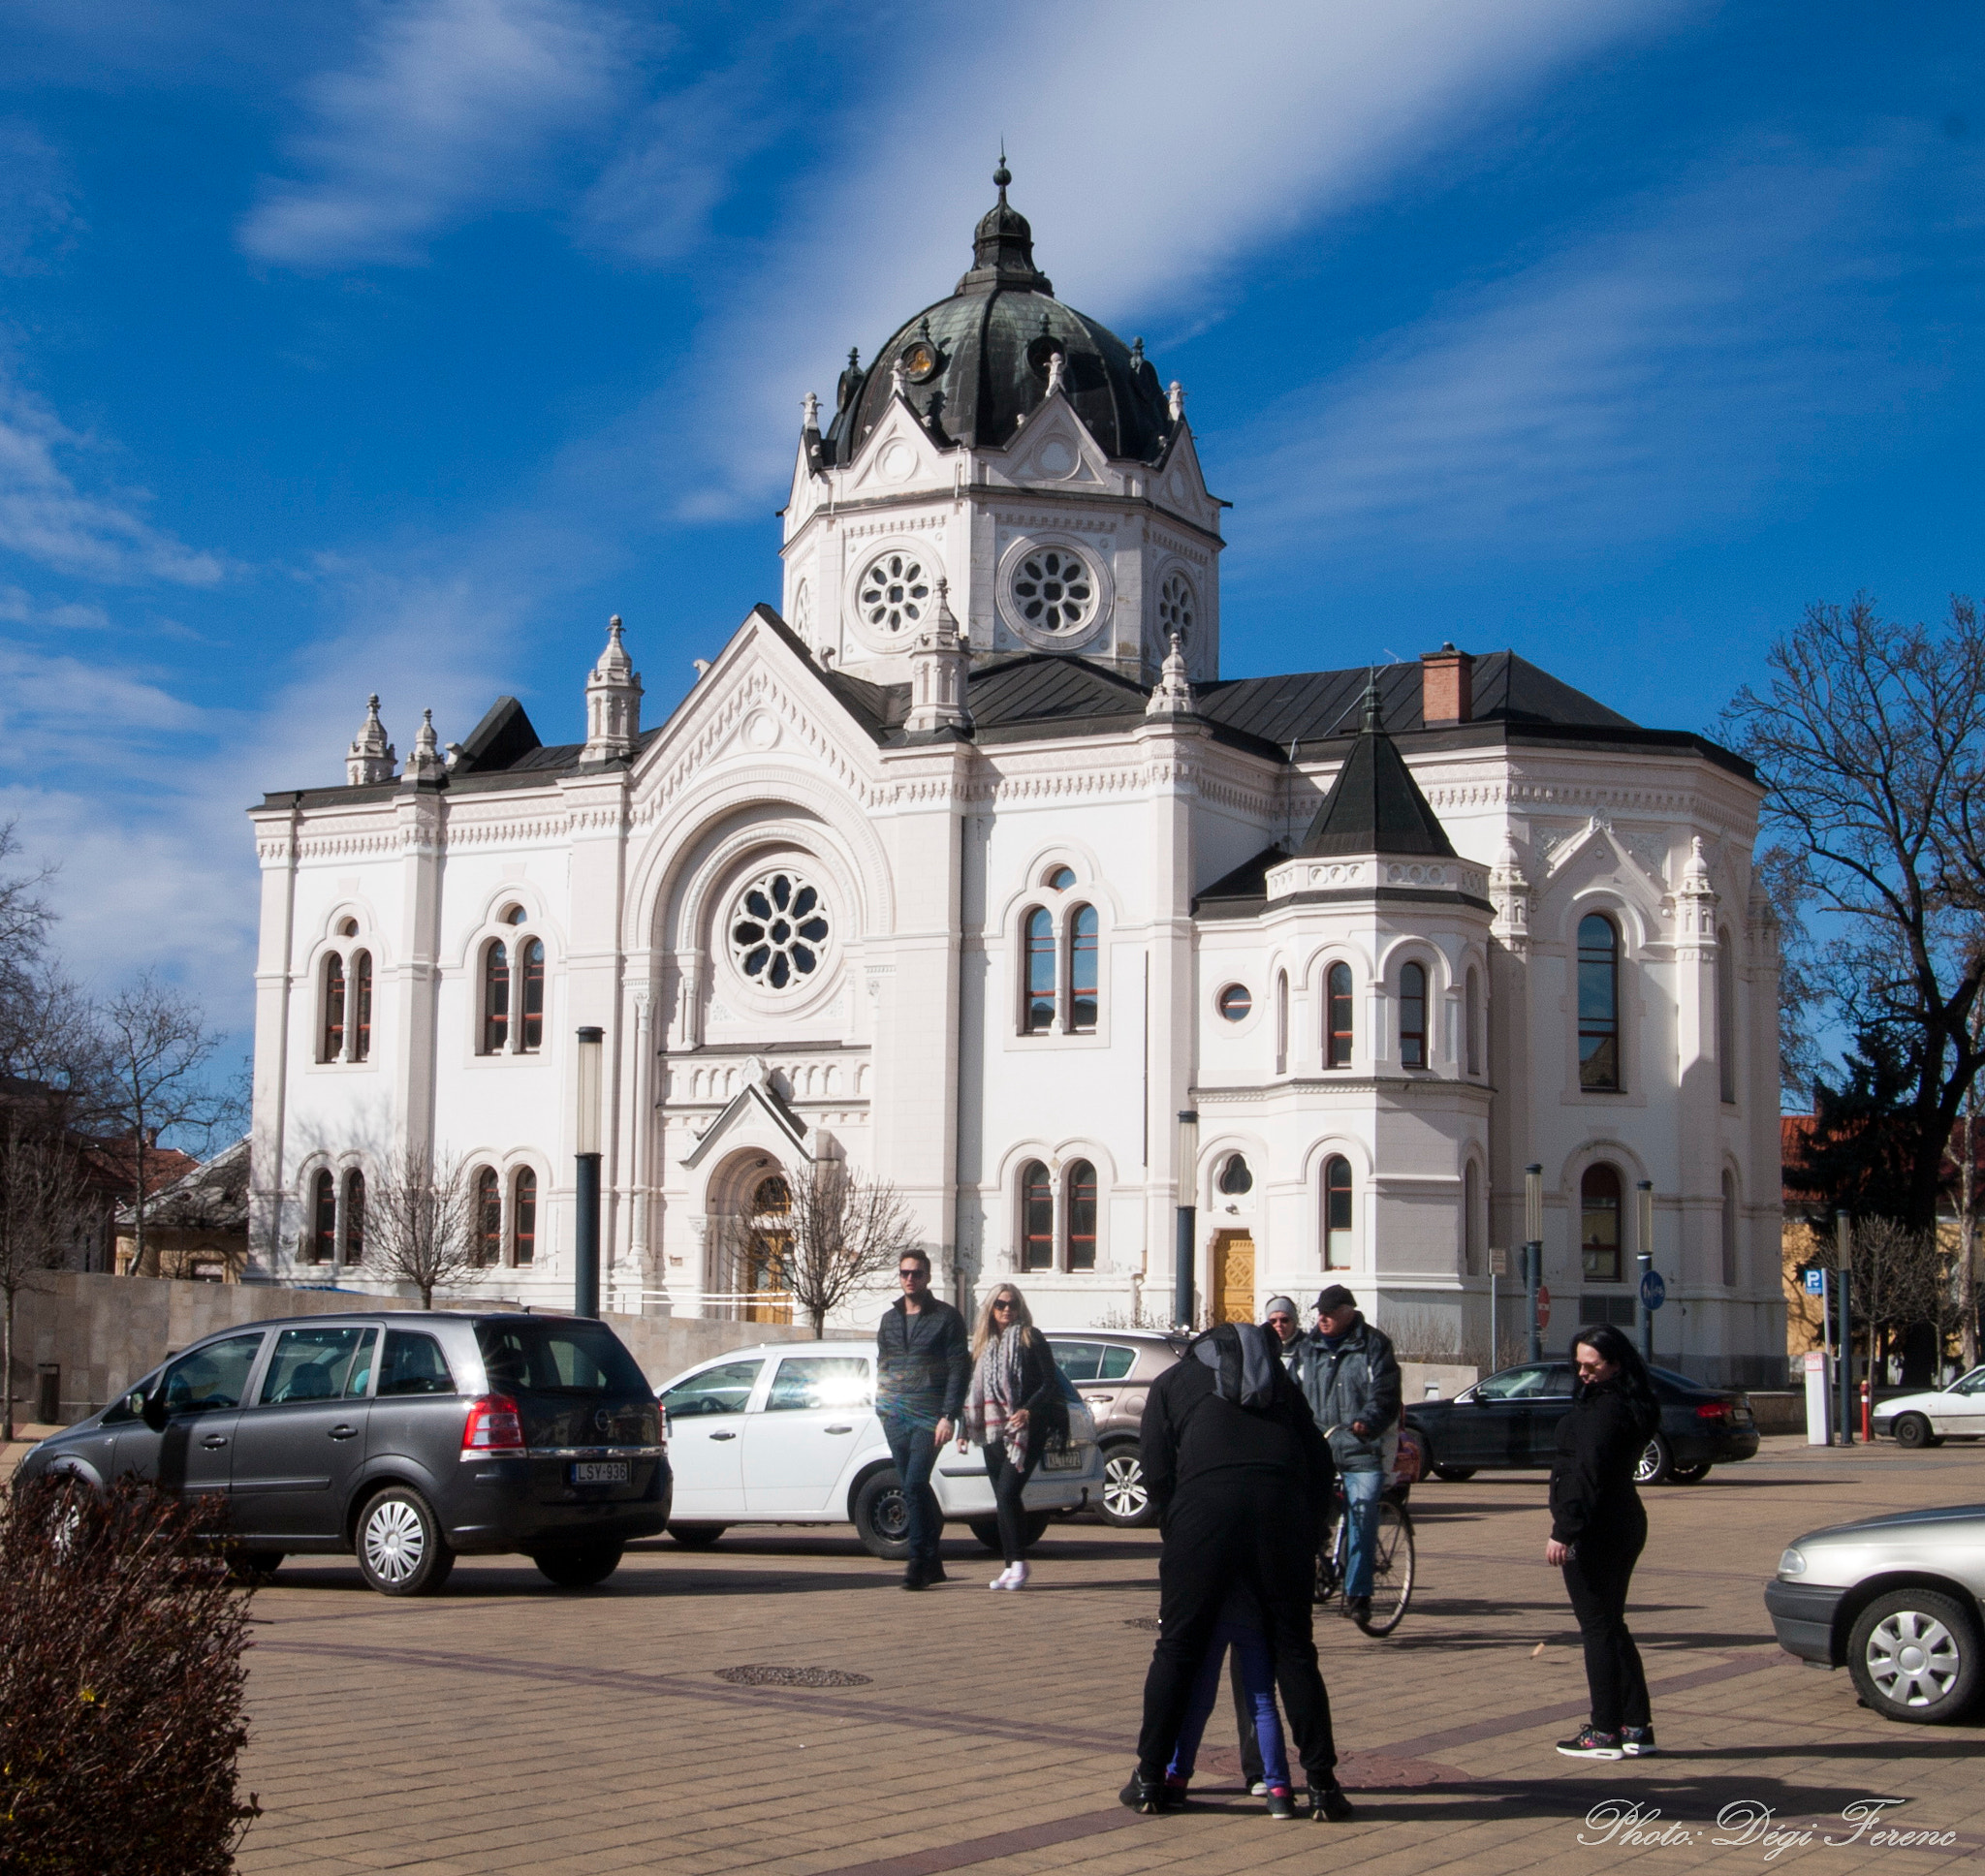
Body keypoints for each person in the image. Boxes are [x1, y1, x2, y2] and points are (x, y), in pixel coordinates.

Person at [1120, 1321, 1354, 1823]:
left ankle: (1149, 1778)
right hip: (1281, 1513)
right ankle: (1321, 1785)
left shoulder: (1172, 1384)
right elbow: (1319, 1464)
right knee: (1294, 1651)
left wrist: (1178, 1527)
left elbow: (1155, 1470)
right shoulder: (1283, 1388)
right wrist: (1310, 1533)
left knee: (1178, 1649)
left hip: (1204, 1514)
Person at [1549, 1323, 1662, 1759]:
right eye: (1578, 1365)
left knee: (1597, 1627)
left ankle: (1604, 1731)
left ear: (1615, 1365)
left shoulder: (1605, 1411)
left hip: (1597, 1526)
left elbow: (1587, 1474)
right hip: (1623, 1520)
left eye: (1591, 1366)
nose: (1582, 1374)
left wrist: (1564, 1531)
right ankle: (1635, 1726)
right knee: (1611, 1625)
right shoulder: (1626, 1403)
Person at [1293, 1285, 1401, 1628]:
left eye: (1328, 1313)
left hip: (1361, 1450)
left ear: (1347, 1312)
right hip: (1319, 1447)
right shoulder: (1307, 1349)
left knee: (1363, 1512)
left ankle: (1359, 1595)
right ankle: (1315, 1562)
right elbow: (1290, 1392)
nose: (1321, 1319)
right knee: (1297, 1509)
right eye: (1318, 1313)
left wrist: (1367, 1423)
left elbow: (1385, 1395)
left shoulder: (1374, 1345)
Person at [1163, 1575, 1299, 1819]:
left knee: (1199, 1700)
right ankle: (1278, 1789)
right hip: (1253, 1610)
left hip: (1212, 1608)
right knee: (1263, 1702)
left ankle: (1177, 1778)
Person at [959, 1283, 1067, 1588]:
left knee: (1007, 1492)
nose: (1007, 1310)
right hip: (992, 1428)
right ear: (991, 1309)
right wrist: (964, 1428)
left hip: (1026, 1429)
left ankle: (1018, 1562)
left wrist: (1028, 1410)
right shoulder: (983, 1344)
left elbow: (1049, 1383)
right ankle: (1011, 1564)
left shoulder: (1030, 1337)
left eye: (1013, 1304)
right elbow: (972, 1391)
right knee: (1005, 1498)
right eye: (1001, 1305)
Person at [875, 1249, 969, 1590]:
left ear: (928, 1277)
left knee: (914, 1483)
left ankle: (917, 1563)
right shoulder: (889, 1319)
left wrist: (949, 1416)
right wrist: (882, 1406)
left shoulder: (946, 1317)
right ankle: (934, 1560)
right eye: (904, 1273)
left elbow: (959, 1368)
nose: (909, 1279)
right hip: (896, 1415)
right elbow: (883, 1363)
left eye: (916, 1273)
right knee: (913, 1485)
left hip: (929, 1415)